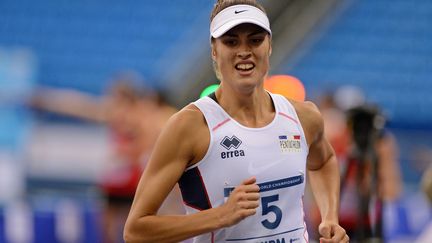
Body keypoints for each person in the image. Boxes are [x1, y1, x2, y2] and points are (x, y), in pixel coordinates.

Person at [123, 1, 349, 242]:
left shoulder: (303, 116)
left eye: (255, 40)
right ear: (214, 50)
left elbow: (324, 160)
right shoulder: (191, 126)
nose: (244, 50)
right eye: (231, 42)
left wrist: (329, 218)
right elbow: (136, 230)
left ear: (269, 46)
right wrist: (220, 216)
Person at [30, 74, 182, 243]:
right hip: (117, 177)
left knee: (137, 225)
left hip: (135, 177)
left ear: (127, 99)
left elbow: (148, 144)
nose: (111, 103)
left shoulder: (143, 117)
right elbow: (81, 106)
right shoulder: (113, 113)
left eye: (115, 98)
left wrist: (127, 152)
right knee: (107, 225)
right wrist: (49, 101)